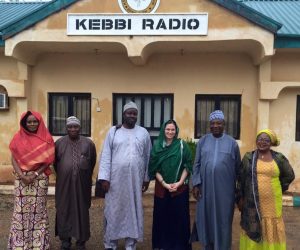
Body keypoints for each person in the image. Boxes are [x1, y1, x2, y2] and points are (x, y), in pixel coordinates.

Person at [98, 101, 151, 250]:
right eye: (129, 113)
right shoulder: (113, 132)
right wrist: (104, 178)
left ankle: (130, 244)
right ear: (123, 114)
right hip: (115, 182)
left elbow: (148, 156)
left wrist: (146, 178)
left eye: (134, 113)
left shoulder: (143, 133)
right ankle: (110, 244)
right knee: (113, 211)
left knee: (133, 212)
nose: (132, 115)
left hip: (135, 181)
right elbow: (106, 155)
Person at [191, 110, 241, 250]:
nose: (215, 126)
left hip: (225, 192)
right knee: (206, 219)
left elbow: (238, 168)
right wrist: (196, 184)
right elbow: (197, 164)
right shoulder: (203, 141)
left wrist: (239, 191)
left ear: (224, 124)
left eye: (219, 123)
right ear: (209, 125)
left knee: (223, 221)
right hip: (205, 190)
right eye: (212, 123)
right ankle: (208, 246)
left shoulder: (232, 143)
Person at [237, 129, 295, 250]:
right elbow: (240, 178)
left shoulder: (279, 158)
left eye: (266, 140)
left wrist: (279, 187)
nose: (262, 142)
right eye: (260, 139)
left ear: (271, 143)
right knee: (253, 225)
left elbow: (289, 175)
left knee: (270, 226)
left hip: (272, 204)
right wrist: (240, 198)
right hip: (251, 203)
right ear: (256, 141)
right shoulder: (249, 157)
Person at [8, 111, 55, 250]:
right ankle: (19, 244)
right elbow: (13, 158)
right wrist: (22, 176)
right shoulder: (18, 137)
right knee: (20, 211)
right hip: (21, 178)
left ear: (39, 122)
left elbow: (48, 161)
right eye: (29, 122)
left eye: (35, 121)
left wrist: (34, 174)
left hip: (39, 178)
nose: (32, 124)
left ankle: (38, 244)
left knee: (38, 211)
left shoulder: (46, 138)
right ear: (24, 123)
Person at [149, 119, 193, 250]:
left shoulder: (182, 145)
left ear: (176, 131)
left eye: (172, 129)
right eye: (167, 129)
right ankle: (162, 245)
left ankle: (180, 246)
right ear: (163, 130)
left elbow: (188, 164)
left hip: (180, 190)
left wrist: (179, 183)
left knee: (180, 218)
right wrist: (164, 183)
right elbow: (153, 167)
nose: (170, 132)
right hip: (162, 190)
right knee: (162, 218)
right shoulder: (157, 146)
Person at [54, 116, 97, 250]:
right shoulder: (59, 143)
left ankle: (81, 241)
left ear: (80, 127)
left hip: (82, 185)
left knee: (81, 210)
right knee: (63, 209)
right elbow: (55, 164)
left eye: (75, 126)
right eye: (70, 127)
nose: (73, 129)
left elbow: (92, 162)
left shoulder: (88, 144)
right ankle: (65, 240)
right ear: (66, 128)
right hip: (63, 185)